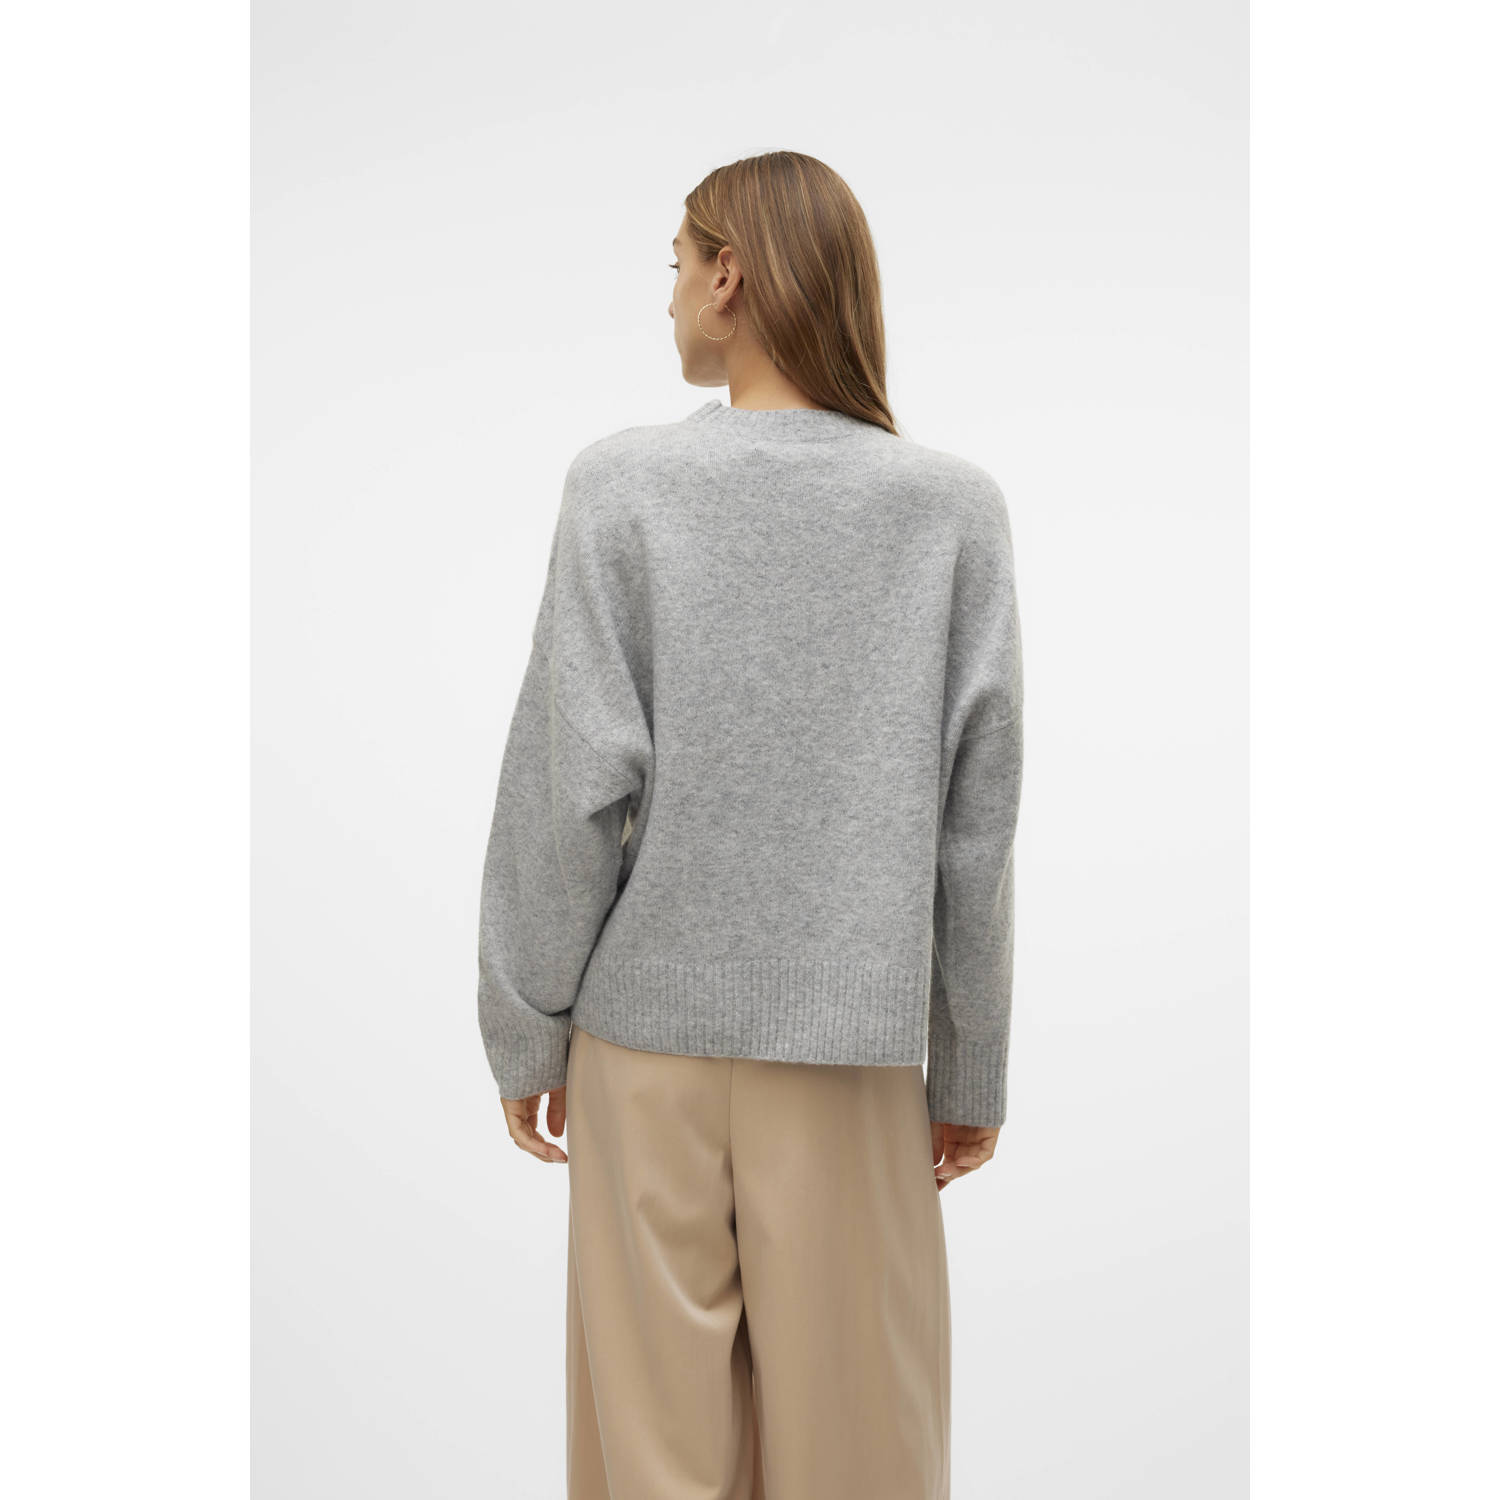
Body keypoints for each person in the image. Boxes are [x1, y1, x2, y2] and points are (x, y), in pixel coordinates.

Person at [476, 150, 1024, 1500]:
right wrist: (969, 1067)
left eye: (675, 264)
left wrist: (526, 1023)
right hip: (851, 1062)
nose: (666, 295)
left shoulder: (622, 488)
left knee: (654, 1464)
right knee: (865, 1459)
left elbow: (566, 785)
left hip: (642, 1058)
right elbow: (977, 828)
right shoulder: (950, 510)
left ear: (729, 276)